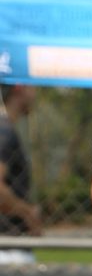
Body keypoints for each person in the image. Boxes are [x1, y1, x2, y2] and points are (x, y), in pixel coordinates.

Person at [0, 83, 43, 259]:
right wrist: (28, 213)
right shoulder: (4, 131)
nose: (34, 93)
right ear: (19, 88)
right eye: (32, 87)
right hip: (8, 248)